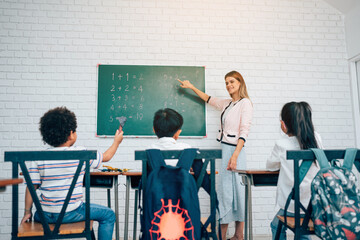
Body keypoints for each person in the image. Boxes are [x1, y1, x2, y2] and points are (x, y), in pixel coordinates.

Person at [21, 106, 124, 240]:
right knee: (109, 215)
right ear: (71, 134)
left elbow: (31, 187)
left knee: (43, 210)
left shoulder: (39, 157)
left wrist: (27, 212)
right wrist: (116, 142)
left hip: (43, 215)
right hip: (71, 212)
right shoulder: (81, 154)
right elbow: (106, 156)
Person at [178, 71, 253, 240]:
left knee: (236, 192)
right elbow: (209, 99)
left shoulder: (245, 103)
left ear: (240, 83)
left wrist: (235, 156)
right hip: (227, 150)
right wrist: (191, 87)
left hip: (235, 151)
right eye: (226, 82)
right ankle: (229, 234)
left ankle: (235, 234)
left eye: (232, 81)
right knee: (227, 192)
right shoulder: (228, 104)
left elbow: (244, 130)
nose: (228, 85)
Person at [266, 102, 324, 240]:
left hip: (291, 206)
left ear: (285, 123)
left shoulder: (282, 144)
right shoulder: (316, 138)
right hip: (314, 205)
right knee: (302, 229)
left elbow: (270, 166)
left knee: (276, 224)